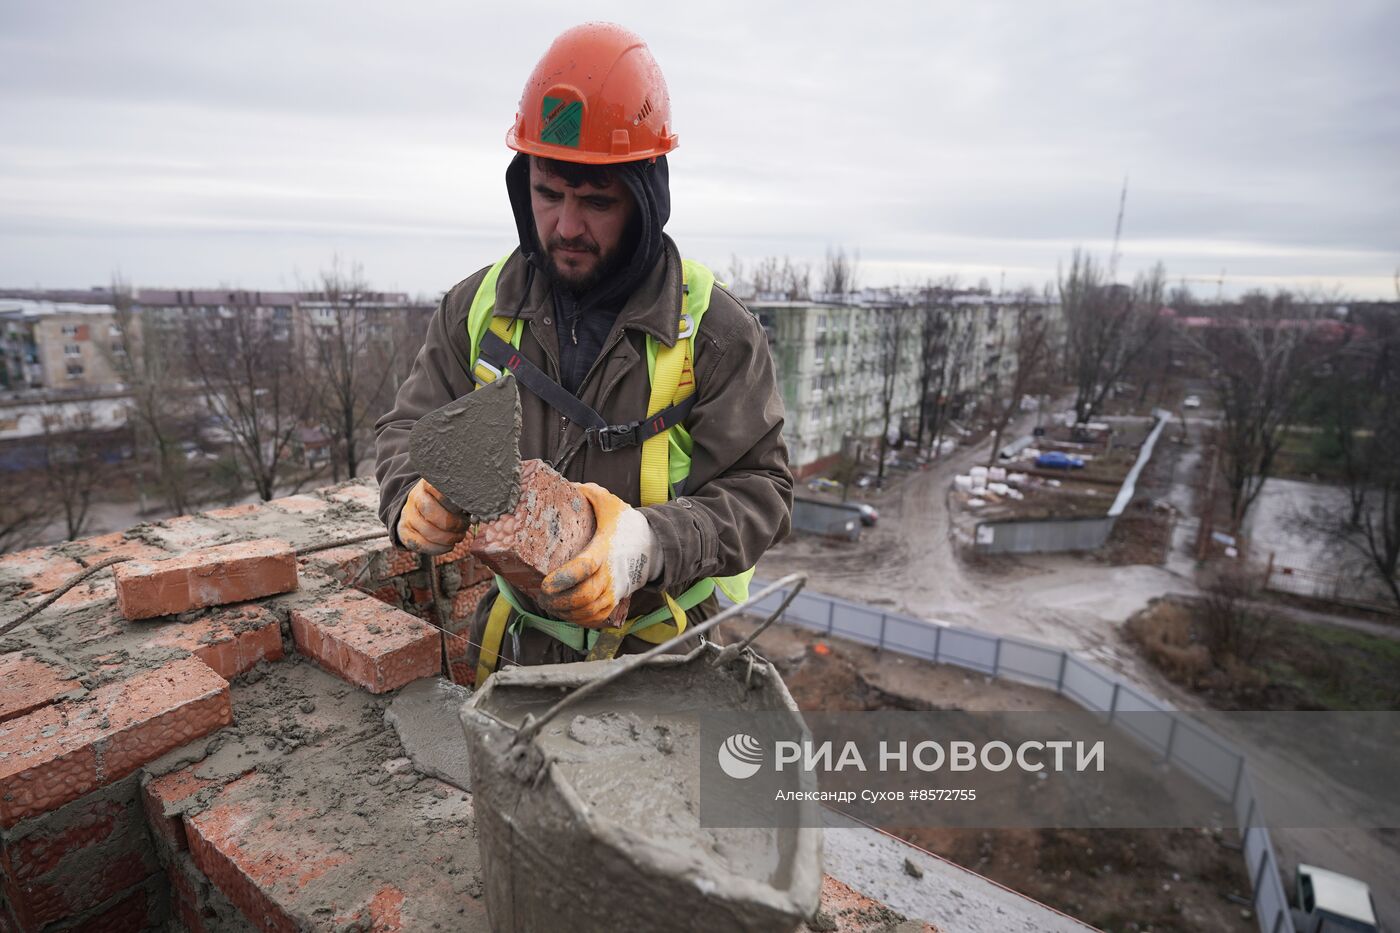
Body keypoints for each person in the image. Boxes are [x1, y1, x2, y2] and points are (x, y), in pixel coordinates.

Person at [373, 22, 792, 681]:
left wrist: (649, 545)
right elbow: (406, 429)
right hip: (513, 652)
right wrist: (409, 494)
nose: (566, 226)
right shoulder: (478, 308)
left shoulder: (713, 330)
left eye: (596, 201)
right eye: (548, 193)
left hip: (659, 661)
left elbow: (763, 492)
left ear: (646, 199)